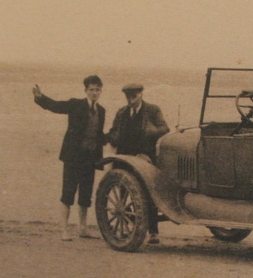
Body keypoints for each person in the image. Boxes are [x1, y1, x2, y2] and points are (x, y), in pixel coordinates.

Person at [33, 75, 106, 241]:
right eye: (91, 90)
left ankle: (82, 229)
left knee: (85, 195)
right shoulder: (76, 104)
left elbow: (99, 136)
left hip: (90, 159)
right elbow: (56, 106)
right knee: (68, 193)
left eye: (97, 90)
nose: (94, 93)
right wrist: (40, 98)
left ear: (101, 91)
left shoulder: (101, 111)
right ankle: (64, 230)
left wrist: (115, 137)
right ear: (86, 91)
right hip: (73, 158)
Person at [107, 83, 170, 243]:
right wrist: (111, 138)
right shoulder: (122, 112)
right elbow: (114, 132)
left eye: (134, 96)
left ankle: (153, 232)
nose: (131, 100)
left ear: (141, 94)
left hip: (144, 157)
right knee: (122, 194)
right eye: (128, 97)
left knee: (149, 194)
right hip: (125, 158)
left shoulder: (152, 110)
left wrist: (149, 132)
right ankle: (127, 229)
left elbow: (164, 129)